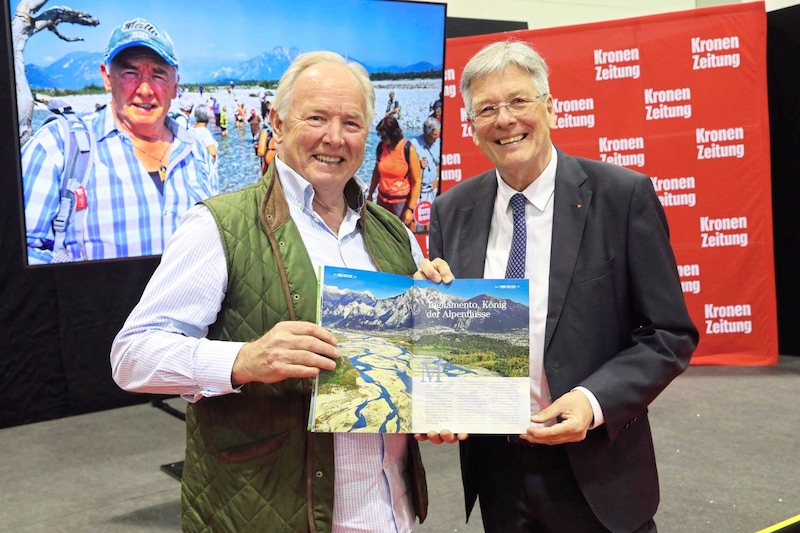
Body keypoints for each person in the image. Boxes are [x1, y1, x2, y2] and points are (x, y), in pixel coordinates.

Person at [111, 50, 453, 532]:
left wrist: (441, 352)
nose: (334, 137)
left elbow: (411, 371)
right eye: (317, 117)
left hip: (390, 509)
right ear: (278, 120)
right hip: (276, 510)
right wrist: (243, 360)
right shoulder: (219, 225)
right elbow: (131, 356)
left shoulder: (392, 235)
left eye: (352, 123)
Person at [425, 40, 699, 533]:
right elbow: (454, 337)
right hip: (498, 472)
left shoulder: (622, 196)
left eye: (518, 101)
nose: (504, 120)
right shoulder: (452, 210)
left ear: (549, 107)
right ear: (471, 127)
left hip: (598, 465)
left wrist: (594, 402)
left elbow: (668, 334)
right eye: (487, 109)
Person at [20, 17, 218, 264]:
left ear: (175, 84)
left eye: (158, 74)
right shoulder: (57, 146)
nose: (145, 90)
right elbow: (24, 254)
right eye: (130, 73)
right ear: (106, 77)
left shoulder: (196, 153)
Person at [367, 115, 421, 229]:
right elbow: (376, 173)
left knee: (402, 236)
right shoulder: (381, 147)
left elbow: (417, 181)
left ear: (394, 134)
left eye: (384, 137)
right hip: (382, 200)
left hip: (401, 204)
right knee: (382, 234)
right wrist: (370, 194)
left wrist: (410, 209)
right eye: (380, 136)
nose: (382, 139)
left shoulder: (407, 149)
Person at [408, 117, 441, 232]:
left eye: (438, 134)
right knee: (413, 220)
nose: (437, 137)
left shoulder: (439, 143)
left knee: (430, 218)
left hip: (432, 189)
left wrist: (438, 178)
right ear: (427, 133)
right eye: (435, 135)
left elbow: (442, 162)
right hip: (418, 190)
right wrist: (417, 164)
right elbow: (406, 165)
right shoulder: (414, 143)